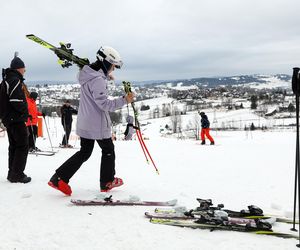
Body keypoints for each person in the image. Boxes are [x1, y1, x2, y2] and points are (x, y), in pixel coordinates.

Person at [48, 46, 134, 195]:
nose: (113, 69)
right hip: (97, 124)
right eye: (113, 66)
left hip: (86, 121)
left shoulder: (86, 74)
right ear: (106, 63)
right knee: (108, 150)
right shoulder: (98, 80)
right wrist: (125, 100)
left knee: (85, 152)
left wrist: (106, 76)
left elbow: (95, 80)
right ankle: (107, 181)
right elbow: (104, 104)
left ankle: (59, 178)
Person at [2, 56, 31, 183]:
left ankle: (12, 173)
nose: (25, 71)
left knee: (14, 146)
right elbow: (16, 100)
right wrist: (25, 112)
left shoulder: (7, 79)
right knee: (23, 145)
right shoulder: (15, 80)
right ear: (20, 68)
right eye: (24, 68)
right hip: (16, 118)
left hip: (9, 118)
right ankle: (17, 174)